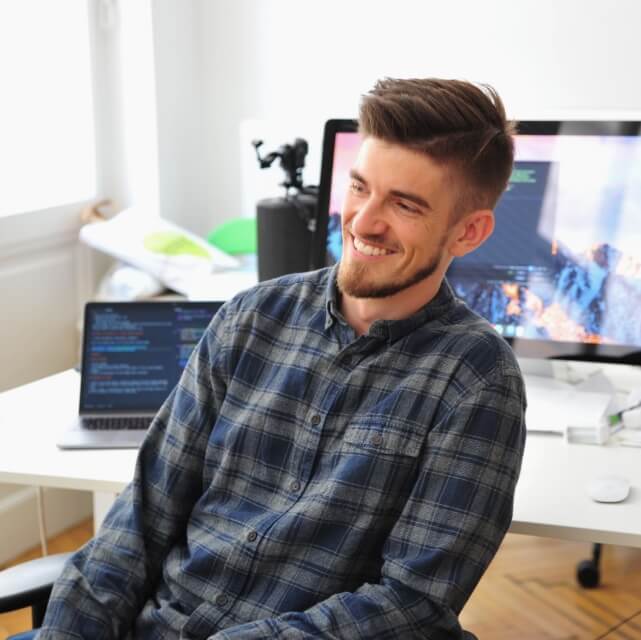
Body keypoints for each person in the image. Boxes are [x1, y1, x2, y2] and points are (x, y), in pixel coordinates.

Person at [37, 78, 526, 640]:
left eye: (405, 205)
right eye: (361, 188)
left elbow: (413, 603)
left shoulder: (477, 380)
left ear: (469, 232)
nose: (364, 221)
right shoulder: (251, 316)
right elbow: (142, 518)